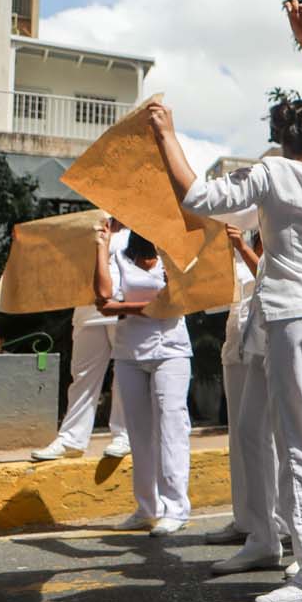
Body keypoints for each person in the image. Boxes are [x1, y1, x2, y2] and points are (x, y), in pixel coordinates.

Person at [149, 99, 302, 602]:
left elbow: (200, 196)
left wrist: (167, 136)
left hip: (299, 315)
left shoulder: (272, 171)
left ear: (284, 139)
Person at [94, 227, 192, 536]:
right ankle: (147, 508)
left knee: (171, 427)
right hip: (129, 352)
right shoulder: (119, 256)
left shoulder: (171, 255)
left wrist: (124, 309)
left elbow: (175, 302)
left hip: (171, 350)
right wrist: (101, 247)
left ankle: (176, 508)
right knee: (138, 432)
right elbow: (103, 299)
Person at [210, 225, 286, 575]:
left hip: (274, 336)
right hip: (242, 342)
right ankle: (253, 525)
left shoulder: (277, 240)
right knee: (245, 435)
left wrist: (241, 246)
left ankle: (282, 525)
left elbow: (267, 274)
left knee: (280, 438)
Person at [31, 218, 131, 462]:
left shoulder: (141, 227)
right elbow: (58, 254)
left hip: (125, 306)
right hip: (88, 308)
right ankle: (71, 439)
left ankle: (125, 434)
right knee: (82, 376)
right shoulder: (90, 223)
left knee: (127, 373)